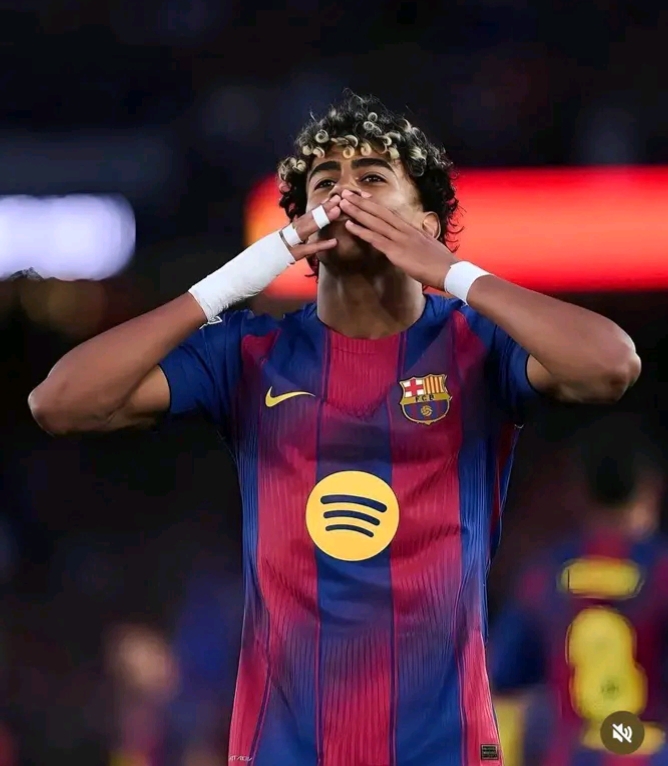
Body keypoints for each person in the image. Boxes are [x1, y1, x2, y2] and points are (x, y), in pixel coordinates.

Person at [28, 92, 640, 766]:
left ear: (426, 225)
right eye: (325, 184)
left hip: (445, 749)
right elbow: (60, 402)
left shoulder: (479, 345)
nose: (345, 196)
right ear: (301, 233)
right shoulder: (247, 353)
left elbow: (610, 365)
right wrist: (229, 283)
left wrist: (452, 273)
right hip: (282, 751)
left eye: (373, 178)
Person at [489, 419, 668, 765]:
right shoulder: (661, 571)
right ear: (652, 486)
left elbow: (500, 678)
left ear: (578, 491)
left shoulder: (543, 575)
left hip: (569, 757)